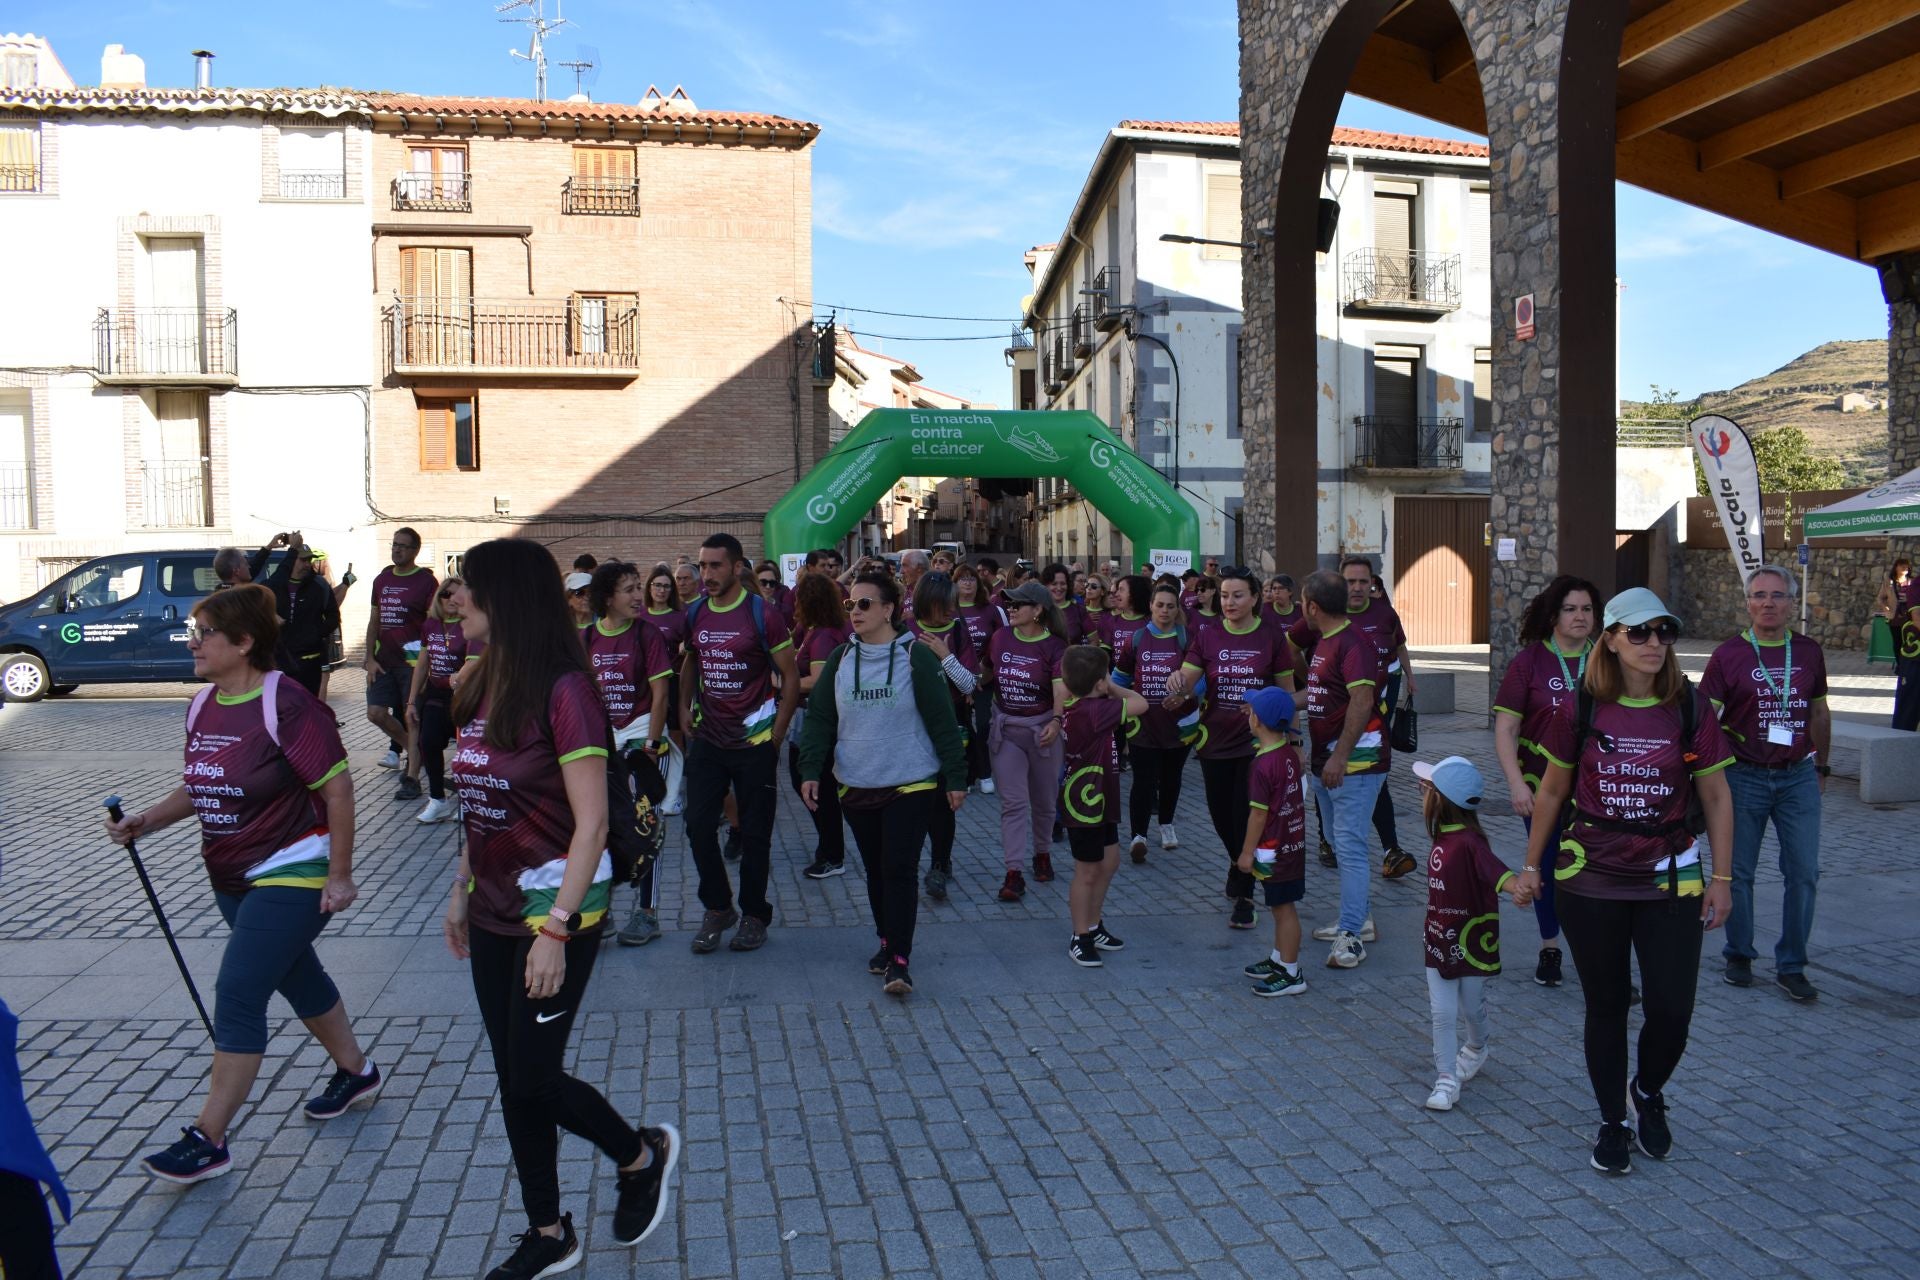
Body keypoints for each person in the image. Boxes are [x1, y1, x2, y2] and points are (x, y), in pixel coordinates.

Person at [441, 540, 680, 1277]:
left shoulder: (565, 690)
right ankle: (549, 1233)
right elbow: (477, 807)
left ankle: (640, 1155)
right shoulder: (478, 684)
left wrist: (556, 929)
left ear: (503, 599)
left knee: (535, 1078)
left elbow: (593, 826)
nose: (452, 599)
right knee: (514, 1077)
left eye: (465, 588)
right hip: (490, 906)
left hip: (557, 910)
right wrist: (459, 888)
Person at [104, 585, 377, 1185]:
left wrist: (340, 875)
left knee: (239, 991)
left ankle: (210, 1138)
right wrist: (145, 821)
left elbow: (338, 790)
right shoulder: (203, 705)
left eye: (205, 633)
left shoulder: (290, 705)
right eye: (194, 632)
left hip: (294, 867)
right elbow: (199, 786)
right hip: (230, 872)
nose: (193, 642)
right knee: (295, 974)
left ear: (245, 642)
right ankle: (357, 1072)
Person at [1518, 587, 1734, 1175]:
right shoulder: (1579, 708)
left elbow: (1715, 794)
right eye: (1638, 632)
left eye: (1663, 631)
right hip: (1591, 878)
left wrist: (1722, 878)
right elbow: (1553, 792)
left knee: (1672, 1011)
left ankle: (1649, 1088)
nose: (1653, 643)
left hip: (1671, 877)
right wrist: (1533, 866)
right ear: (1609, 638)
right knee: (1606, 1004)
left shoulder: (1691, 706)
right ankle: (1612, 1118)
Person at [797, 571, 966, 996]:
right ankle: (886, 941)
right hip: (856, 782)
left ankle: (900, 962)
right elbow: (820, 719)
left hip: (911, 782)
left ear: (889, 608)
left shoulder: (917, 656)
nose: (854, 611)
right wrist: (811, 769)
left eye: (865, 604)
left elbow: (943, 720)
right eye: (850, 605)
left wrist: (956, 776)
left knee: (899, 868)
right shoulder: (840, 659)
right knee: (875, 870)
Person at [1700, 564, 1830, 1001]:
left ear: (1792, 603)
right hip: (1744, 776)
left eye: (1778, 595)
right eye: (1759, 595)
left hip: (1798, 777)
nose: (1768, 603)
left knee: (1804, 873)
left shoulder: (1809, 652)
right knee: (1736, 872)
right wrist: (1713, 773)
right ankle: (1739, 954)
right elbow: (1705, 719)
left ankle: (1792, 964)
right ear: (1748, 602)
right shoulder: (1728, 654)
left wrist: (1822, 767)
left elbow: (1819, 713)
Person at [678, 533, 801, 954]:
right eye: (702, 566)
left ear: (736, 567)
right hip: (709, 739)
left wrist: (777, 736)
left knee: (755, 834)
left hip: (754, 742)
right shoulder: (695, 613)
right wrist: (682, 709)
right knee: (696, 826)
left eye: (714, 566)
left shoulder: (762, 614)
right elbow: (690, 664)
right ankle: (718, 908)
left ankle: (753, 914)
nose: (706, 574)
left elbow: (790, 677)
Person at [1160, 566, 1297, 931]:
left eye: (1237, 595)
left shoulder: (1271, 636)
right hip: (1214, 740)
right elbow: (1188, 677)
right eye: (1224, 596)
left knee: (1244, 813)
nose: (1229, 602)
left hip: (1258, 743)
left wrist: (1293, 740)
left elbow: (1284, 693)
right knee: (1222, 817)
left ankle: (1244, 891)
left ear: (1254, 598)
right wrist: (1179, 687)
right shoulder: (1208, 634)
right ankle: (1238, 861)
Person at [1492, 574, 1599, 987]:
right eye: (1570, 609)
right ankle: (1549, 946)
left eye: (1587, 609)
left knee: (1599, 873)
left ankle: (1601, 958)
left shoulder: (1610, 657)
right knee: (1548, 866)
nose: (1579, 617)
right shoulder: (1530, 662)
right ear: (1553, 615)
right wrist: (1517, 784)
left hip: (1600, 790)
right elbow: (1506, 730)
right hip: (1542, 789)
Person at [1413, 755, 1518, 1112]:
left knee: (1472, 1007)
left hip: (1470, 943)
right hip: (1438, 940)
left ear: (1441, 799)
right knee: (1442, 1013)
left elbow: (1498, 874)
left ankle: (1476, 1047)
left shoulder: (1472, 843)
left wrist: (1520, 886)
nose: (1420, 791)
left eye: (1426, 787)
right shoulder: (1443, 836)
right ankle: (1446, 1080)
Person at [1300, 569, 1390, 967]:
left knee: (1350, 845)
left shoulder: (1353, 644)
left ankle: (1352, 936)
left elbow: (1362, 700)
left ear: (1312, 606)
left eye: (1302, 601)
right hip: (1327, 759)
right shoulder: (1326, 641)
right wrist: (1281, 702)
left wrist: (1339, 757)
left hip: (1357, 761)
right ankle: (1359, 919)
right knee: (1339, 843)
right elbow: (1321, 693)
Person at [585, 561, 675, 949]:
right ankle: (600, 909)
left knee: (644, 826)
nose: (639, 596)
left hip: (642, 741)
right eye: (629, 589)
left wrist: (652, 747)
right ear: (607, 598)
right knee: (599, 828)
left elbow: (661, 695)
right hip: (603, 745)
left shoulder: (648, 635)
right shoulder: (585, 638)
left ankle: (647, 913)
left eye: (639, 587)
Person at [1059, 645, 1147, 966]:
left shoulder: (1083, 705)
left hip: (1101, 798)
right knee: (1087, 871)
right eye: (1105, 676)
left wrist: (1103, 685)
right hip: (1085, 805)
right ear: (1098, 683)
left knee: (1109, 862)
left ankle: (1093, 926)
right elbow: (1141, 704)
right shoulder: (1096, 710)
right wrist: (1112, 687)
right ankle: (1079, 936)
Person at [983, 581, 1069, 900]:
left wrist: (1058, 721)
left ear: (1038, 610)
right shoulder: (1001, 637)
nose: (1012, 608)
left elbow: (1061, 690)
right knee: (1014, 803)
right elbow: (986, 672)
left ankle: (1042, 853)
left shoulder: (1056, 647)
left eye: (1018, 604)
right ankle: (1013, 872)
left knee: (1045, 803)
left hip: (1043, 731)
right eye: (1010, 604)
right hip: (1007, 732)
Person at [1339, 556, 1417, 878]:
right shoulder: (1327, 615)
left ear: (1372, 582)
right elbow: (1293, 653)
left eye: (1363, 581)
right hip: (1334, 720)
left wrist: (1410, 678)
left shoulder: (1385, 613)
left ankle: (1390, 850)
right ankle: (1328, 842)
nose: (1357, 588)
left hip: (1375, 717)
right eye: (1350, 581)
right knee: (1332, 782)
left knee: (1375, 778)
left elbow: (1399, 647)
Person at [905, 572, 980, 902]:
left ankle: (940, 863)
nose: (953, 608)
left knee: (943, 802)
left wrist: (944, 655)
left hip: (951, 731)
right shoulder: (903, 630)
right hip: (910, 731)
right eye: (946, 602)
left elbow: (968, 685)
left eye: (954, 602)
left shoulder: (959, 632)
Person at [1235, 686, 1309, 999]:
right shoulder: (1287, 754)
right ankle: (1280, 959)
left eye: (1251, 711)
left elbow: (1257, 816)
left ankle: (1292, 973)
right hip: (1290, 844)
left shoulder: (1262, 765)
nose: (1247, 714)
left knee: (1283, 908)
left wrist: (1246, 852)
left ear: (1258, 721)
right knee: (1280, 906)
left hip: (1274, 848)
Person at [1117, 580, 1197, 860]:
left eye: (1170, 606)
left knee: (1171, 778)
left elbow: (1202, 681)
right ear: (1150, 606)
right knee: (1143, 780)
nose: (1164, 610)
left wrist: (1186, 696)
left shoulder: (1186, 638)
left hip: (1179, 724)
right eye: (1159, 605)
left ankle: (1166, 825)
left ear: (1177, 610)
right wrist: (1123, 706)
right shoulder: (1137, 639)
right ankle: (1138, 835)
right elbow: (1119, 678)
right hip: (1142, 725)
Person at [364, 528, 437, 801]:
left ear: (415, 550)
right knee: (375, 713)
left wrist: (429, 662)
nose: (397, 550)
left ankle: (412, 777)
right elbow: (374, 621)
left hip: (412, 662)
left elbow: (432, 624)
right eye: (394, 545)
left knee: (411, 718)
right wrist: (369, 657)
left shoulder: (426, 582)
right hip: (383, 661)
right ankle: (416, 753)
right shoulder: (381, 580)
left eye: (403, 547)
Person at [790, 573, 852, 880]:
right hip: (808, 718)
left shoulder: (825, 635)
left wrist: (782, 683)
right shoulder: (812, 630)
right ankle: (828, 848)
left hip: (818, 718)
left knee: (818, 787)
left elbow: (818, 680)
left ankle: (832, 854)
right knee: (807, 781)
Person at [406, 576, 468, 825]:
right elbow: (422, 664)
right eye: (446, 594)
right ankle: (437, 799)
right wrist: (411, 701)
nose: (451, 599)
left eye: (456, 594)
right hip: (435, 693)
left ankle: (469, 801)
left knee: (466, 750)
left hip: (464, 696)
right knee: (428, 742)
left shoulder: (469, 624)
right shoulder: (430, 625)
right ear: (438, 598)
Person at [642, 563, 690, 815]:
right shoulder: (639, 615)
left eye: (666, 586)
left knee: (674, 736)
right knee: (648, 733)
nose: (661, 590)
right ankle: (648, 786)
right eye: (657, 585)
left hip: (671, 682)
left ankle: (676, 789)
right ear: (649, 587)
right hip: (643, 685)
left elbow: (690, 654)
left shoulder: (678, 617)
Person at [954, 563, 1007, 794]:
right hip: (957, 679)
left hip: (986, 679)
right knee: (962, 728)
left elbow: (1001, 642)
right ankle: (967, 774)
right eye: (962, 579)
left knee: (984, 724)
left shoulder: (990, 610)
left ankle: (986, 773)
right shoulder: (950, 610)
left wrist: (985, 673)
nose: (967, 582)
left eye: (972, 578)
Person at [1041, 563, 1092, 644]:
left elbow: (1094, 641)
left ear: (1068, 585)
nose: (1059, 588)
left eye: (1063, 583)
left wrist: (1081, 656)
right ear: (1045, 586)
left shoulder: (1079, 610)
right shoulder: (1038, 610)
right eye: (1054, 584)